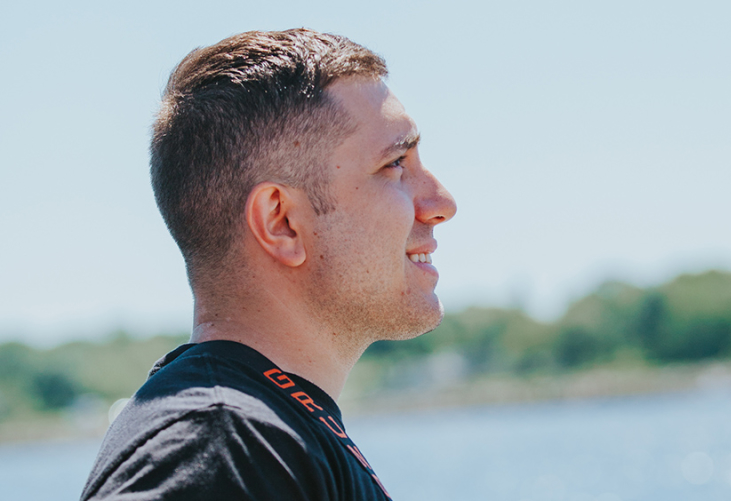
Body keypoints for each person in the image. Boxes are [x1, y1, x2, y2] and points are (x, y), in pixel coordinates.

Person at [80, 28, 456, 501]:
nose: (442, 203)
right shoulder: (222, 441)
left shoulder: (260, 430)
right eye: (396, 163)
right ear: (281, 222)